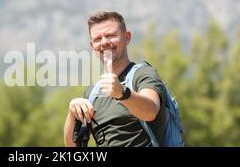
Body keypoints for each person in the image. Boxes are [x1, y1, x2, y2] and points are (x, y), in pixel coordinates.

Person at [63, 11, 167, 147]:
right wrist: (72, 114)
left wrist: (122, 93)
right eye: (97, 39)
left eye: (111, 35)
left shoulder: (143, 74)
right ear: (92, 45)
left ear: (127, 37)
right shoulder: (92, 93)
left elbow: (150, 111)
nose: (104, 42)